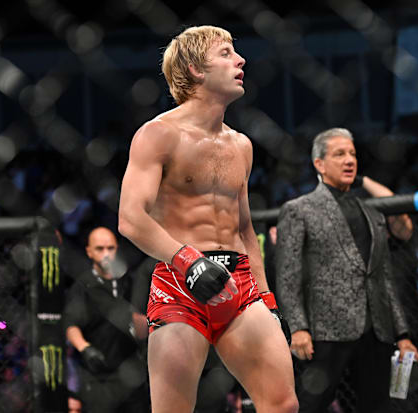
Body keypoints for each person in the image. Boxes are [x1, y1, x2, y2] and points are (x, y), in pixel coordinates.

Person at [117, 25, 298, 413]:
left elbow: (246, 229)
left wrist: (266, 298)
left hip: (241, 285)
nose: (240, 59)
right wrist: (188, 260)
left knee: (282, 404)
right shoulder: (158, 134)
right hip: (180, 284)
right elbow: (131, 218)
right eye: (226, 53)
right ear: (197, 70)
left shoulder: (241, 145)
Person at [275, 127, 418, 413]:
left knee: (378, 406)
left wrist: (402, 333)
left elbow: (384, 277)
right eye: (339, 154)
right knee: (311, 404)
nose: (349, 160)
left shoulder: (370, 210)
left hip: (376, 329)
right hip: (326, 330)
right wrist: (298, 328)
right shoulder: (300, 209)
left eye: (353, 154)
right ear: (319, 163)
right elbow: (287, 275)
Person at [64, 227, 149, 413]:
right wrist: (84, 348)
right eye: (100, 249)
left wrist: (142, 326)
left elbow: (143, 322)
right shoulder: (83, 285)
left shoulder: (131, 282)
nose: (106, 254)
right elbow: (71, 323)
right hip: (99, 374)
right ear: (89, 252)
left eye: (110, 248)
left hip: (132, 373)